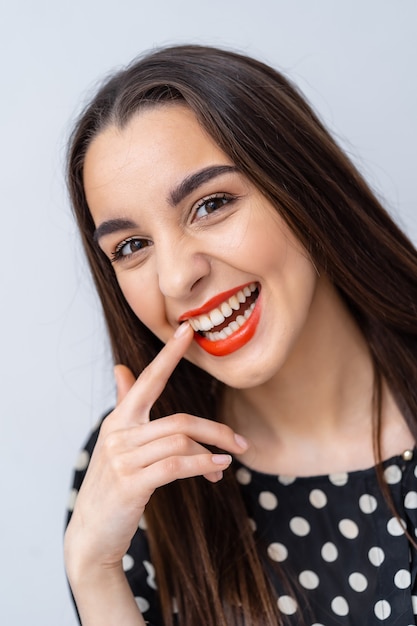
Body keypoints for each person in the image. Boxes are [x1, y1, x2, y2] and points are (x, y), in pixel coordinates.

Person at [64, 44, 417, 626]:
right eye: (131, 247)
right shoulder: (131, 482)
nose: (178, 277)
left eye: (212, 205)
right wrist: (93, 569)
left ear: (304, 188)